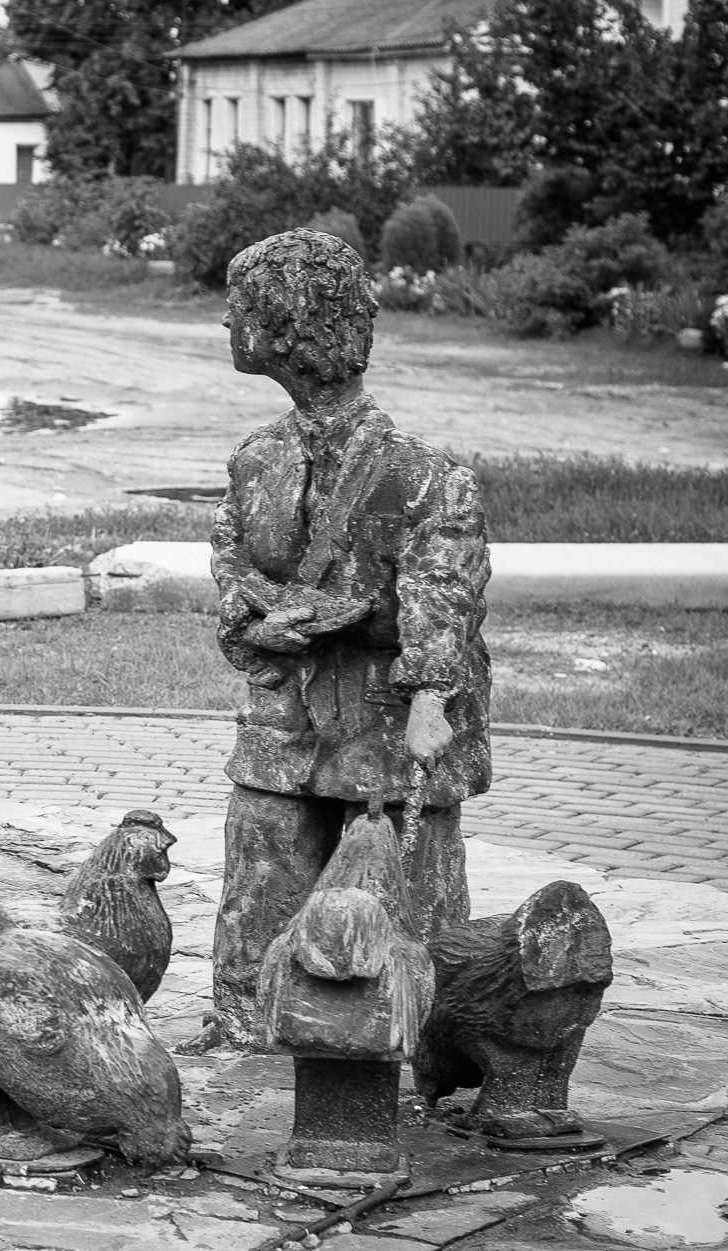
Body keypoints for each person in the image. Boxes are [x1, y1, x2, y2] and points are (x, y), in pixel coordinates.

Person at [191, 228, 492, 1050]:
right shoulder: (256, 461)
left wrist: (431, 695)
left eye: (239, 306)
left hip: (387, 726)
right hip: (285, 721)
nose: (225, 322)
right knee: (261, 864)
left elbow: (443, 592)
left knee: (403, 895)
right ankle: (250, 1021)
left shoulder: (424, 474)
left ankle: (423, 1033)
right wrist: (258, 616)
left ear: (287, 325)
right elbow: (230, 559)